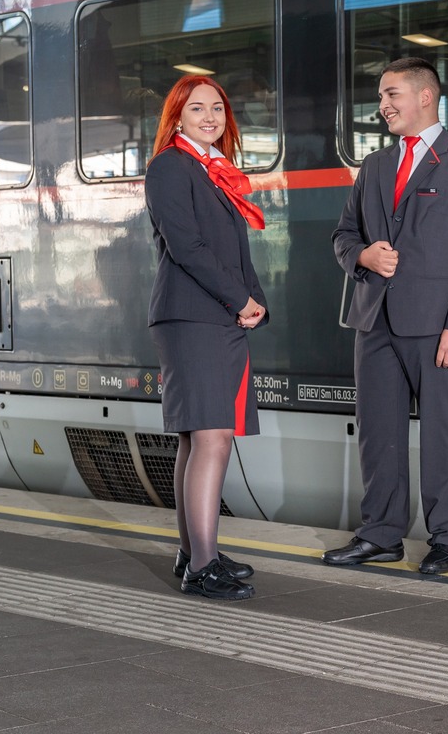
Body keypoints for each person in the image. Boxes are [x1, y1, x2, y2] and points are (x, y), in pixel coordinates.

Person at [327, 57, 448, 575]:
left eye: (392, 95)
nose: (383, 105)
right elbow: (343, 236)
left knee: (444, 433)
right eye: (381, 96)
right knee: (378, 433)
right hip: (374, 321)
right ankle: (381, 533)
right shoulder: (375, 167)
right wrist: (363, 256)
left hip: (438, 326)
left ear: (426, 96)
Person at [145, 74, 269, 600]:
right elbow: (189, 248)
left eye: (217, 107)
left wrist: (256, 302)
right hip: (194, 315)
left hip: (214, 314)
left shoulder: (213, 170)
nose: (211, 117)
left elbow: (235, 252)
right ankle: (202, 567)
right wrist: (239, 300)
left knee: (196, 437)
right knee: (213, 436)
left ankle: (194, 550)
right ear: (177, 117)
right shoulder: (171, 166)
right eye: (197, 109)